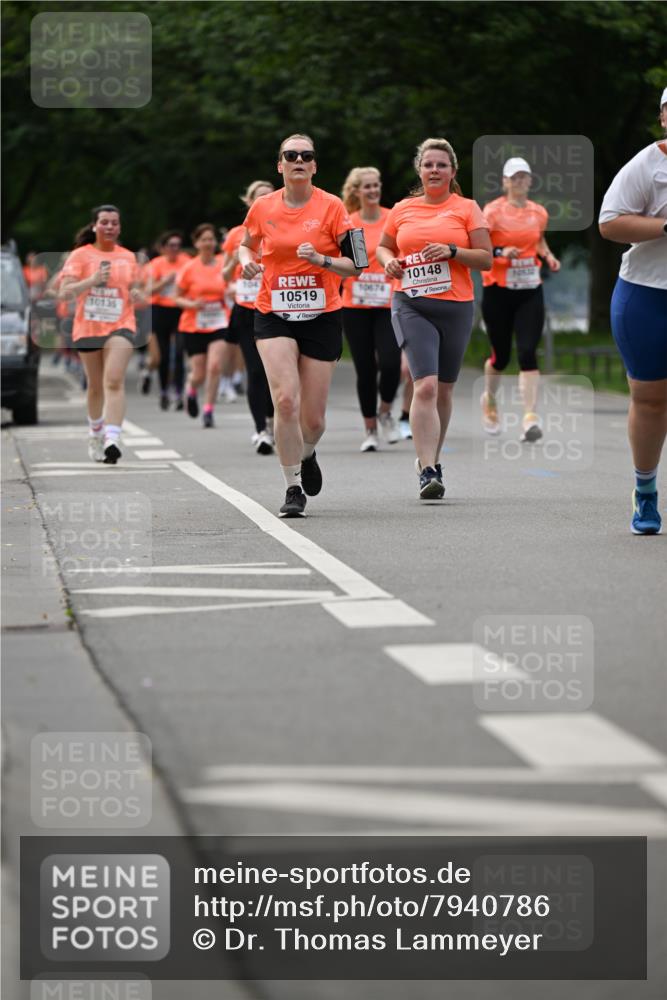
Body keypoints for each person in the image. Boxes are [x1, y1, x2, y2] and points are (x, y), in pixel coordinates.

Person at [238, 133, 361, 517]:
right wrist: (246, 260)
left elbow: (357, 263)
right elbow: (246, 243)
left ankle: (307, 453)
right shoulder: (263, 206)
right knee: (285, 400)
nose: (298, 161)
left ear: (314, 165)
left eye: (306, 156)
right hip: (273, 312)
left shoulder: (333, 206)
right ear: (280, 165)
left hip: (322, 314)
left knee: (314, 419)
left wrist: (323, 260)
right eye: (290, 155)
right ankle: (292, 488)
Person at [377, 137, 492, 499]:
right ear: (420, 170)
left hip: (456, 305)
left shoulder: (467, 208)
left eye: (441, 165)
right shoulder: (403, 209)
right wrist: (387, 261)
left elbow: (486, 258)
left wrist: (453, 250)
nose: (434, 170)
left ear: (452, 172)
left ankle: (431, 458)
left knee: (444, 389)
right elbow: (383, 246)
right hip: (411, 303)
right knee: (424, 384)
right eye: (428, 164)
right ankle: (428, 470)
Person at [599, 87, 667, 535]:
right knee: (650, 398)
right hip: (647, 295)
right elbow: (609, 223)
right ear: (663, 117)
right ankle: (645, 490)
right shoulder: (647, 165)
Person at [479, 157, 560, 441]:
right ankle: (489, 400)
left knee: (527, 351)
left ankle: (530, 418)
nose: (520, 182)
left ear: (530, 180)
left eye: (524, 177)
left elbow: (538, 240)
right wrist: (502, 252)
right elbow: (481, 247)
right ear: (505, 182)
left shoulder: (538, 212)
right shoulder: (492, 212)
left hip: (529, 288)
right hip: (498, 290)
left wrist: (547, 256)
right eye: (514, 177)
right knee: (500, 356)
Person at [59, 204, 142, 464]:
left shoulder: (128, 257)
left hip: (121, 324)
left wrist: (138, 294)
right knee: (95, 387)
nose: (109, 227)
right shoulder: (80, 255)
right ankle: (95, 433)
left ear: (119, 227)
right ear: (95, 226)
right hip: (89, 326)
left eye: (114, 223)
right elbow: (64, 292)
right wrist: (91, 280)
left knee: (114, 380)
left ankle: (112, 439)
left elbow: (134, 288)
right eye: (104, 222)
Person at [340, 166, 401, 452]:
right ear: (356, 191)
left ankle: (385, 410)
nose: (373, 190)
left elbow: (404, 253)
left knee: (390, 363)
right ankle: (370, 430)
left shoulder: (392, 219)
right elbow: (347, 265)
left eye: (376, 185)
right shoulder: (349, 224)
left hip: (388, 303)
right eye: (367, 186)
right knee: (366, 369)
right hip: (355, 305)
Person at [222, 181, 276, 454]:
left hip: (277, 306)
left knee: (274, 371)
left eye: (270, 196)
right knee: (255, 370)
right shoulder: (235, 234)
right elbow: (223, 275)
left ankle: (273, 419)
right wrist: (233, 263)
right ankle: (261, 430)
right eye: (259, 197)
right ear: (250, 202)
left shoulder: (281, 226)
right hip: (246, 308)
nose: (265, 201)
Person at [174, 224, 232, 428]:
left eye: (211, 239)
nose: (208, 243)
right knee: (198, 373)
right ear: (197, 243)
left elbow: (232, 286)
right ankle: (190, 390)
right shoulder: (189, 268)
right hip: (194, 324)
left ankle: (208, 410)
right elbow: (176, 298)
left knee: (215, 367)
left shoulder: (223, 263)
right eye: (204, 239)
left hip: (219, 321)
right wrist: (192, 304)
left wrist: (231, 293)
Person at [145, 231, 190, 410]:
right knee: (162, 355)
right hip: (160, 310)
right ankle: (164, 390)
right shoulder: (156, 264)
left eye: (178, 245)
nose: (175, 249)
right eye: (171, 245)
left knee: (179, 353)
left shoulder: (186, 261)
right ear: (163, 248)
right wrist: (165, 282)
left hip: (179, 310)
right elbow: (149, 289)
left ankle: (178, 392)